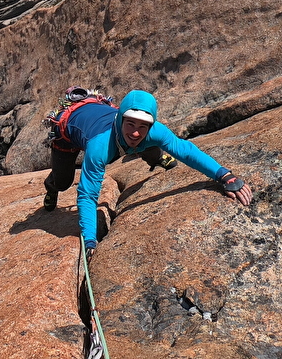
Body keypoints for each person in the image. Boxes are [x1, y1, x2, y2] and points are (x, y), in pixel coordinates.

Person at [43, 89, 253, 256]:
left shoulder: (154, 131)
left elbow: (186, 151)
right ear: (121, 119)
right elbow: (88, 193)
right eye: (131, 123)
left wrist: (224, 175)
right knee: (63, 181)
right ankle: (51, 187)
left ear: (151, 123)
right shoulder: (99, 146)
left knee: (147, 145)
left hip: (103, 121)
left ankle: (155, 156)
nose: (135, 131)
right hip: (69, 130)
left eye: (143, 126)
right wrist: (90, 239)